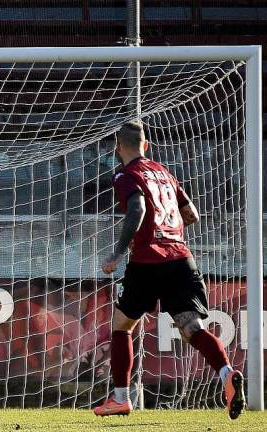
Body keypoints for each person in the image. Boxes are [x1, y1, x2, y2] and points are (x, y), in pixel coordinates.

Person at [94, 121, 244, 419]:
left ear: (117, 147)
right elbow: (192, 215)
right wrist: (168, 229)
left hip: (147, 261)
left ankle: (121, 397)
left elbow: (137, 209)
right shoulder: (163, 172)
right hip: (180, 258)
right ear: (146, 145)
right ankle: (226, 372)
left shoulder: (125, 174)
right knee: (192, 330)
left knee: (122, 325)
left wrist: (118, 252)